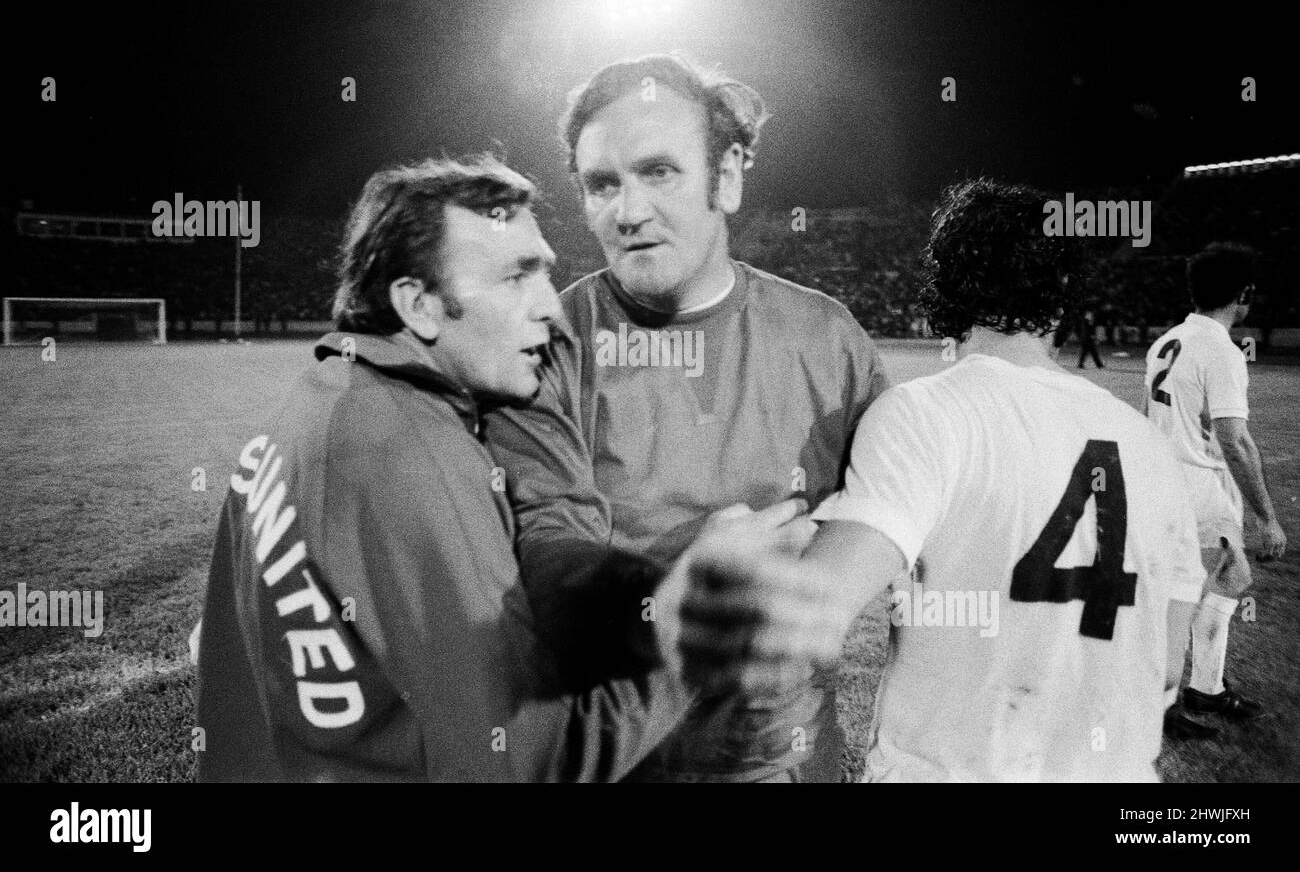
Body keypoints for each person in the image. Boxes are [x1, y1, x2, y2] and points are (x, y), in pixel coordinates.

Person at [194, 155, 813, 781]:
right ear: (420, 306)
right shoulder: (414, 457)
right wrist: (693, 630)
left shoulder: (320, 398)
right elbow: (531, 762)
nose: (550, 307)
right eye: (516, 278)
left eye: (545, 272)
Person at [678, 178, 1207, 781]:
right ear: (1063, 295)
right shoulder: (1149, 446)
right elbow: (1165, 668)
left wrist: (710, 571)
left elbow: (800, 624)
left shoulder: (925, 413)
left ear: (948, 284)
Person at [485, 53, 889, 782]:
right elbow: (545, 564)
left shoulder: (828, 340)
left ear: (727, 176)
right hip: (621, 758)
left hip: (785, 764)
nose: (628, 211)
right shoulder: (546, 344)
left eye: (659, 172)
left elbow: (905, 521)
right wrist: (673, 583)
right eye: (602, 184)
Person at [1144, 242, 1287, 739]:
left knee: (1233, 577)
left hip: (1170, 482)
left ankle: (1205, 687)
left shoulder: (1166, 341)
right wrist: (1267, 517)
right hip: (1196, 489)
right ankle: (1158, 708)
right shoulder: (1220, 350)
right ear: (1243, 294)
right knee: (1177, 602)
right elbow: (1234, 438)